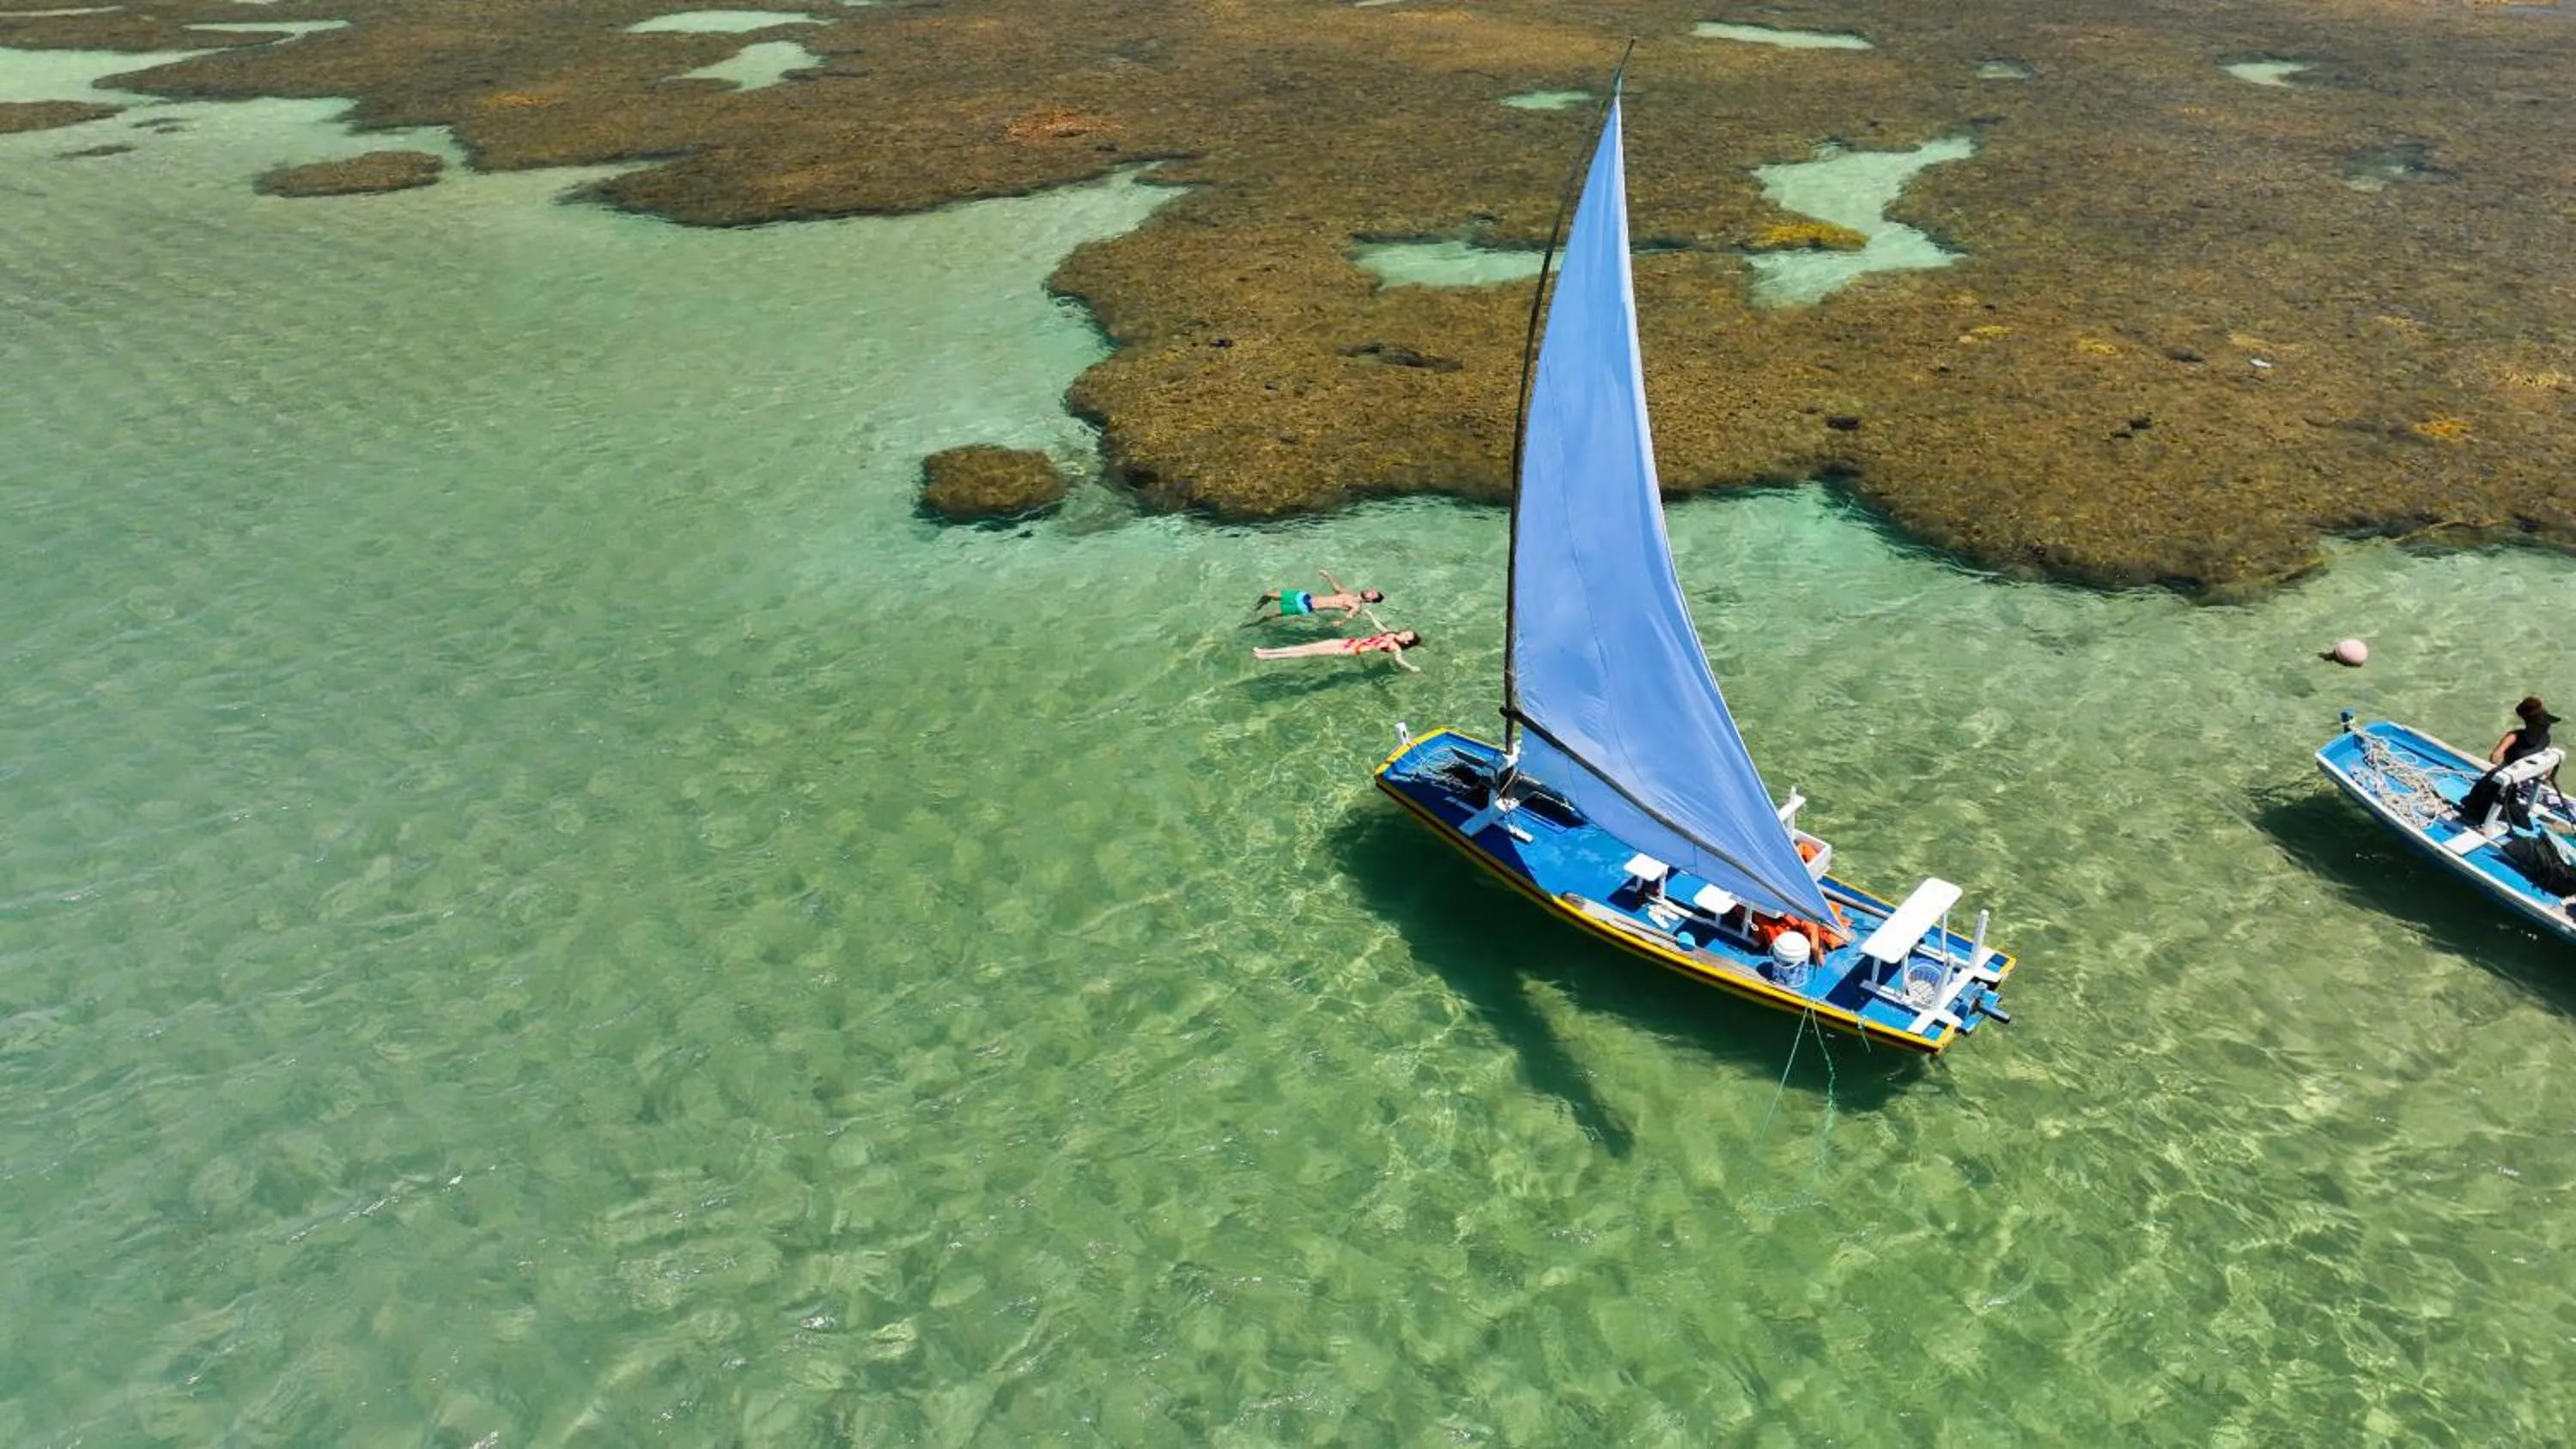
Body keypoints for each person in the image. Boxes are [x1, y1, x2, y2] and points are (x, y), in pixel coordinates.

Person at [1244, 569, 1385, 625]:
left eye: (1373, 594)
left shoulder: (1356, 606)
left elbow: (1350, 616)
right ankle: (1257, 608)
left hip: (1305, 606)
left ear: (1370, 600)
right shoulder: (1348, 593)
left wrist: (1340, 622)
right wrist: (1328, 575)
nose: (1370, 591)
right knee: (1267, 594)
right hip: (1304, 596)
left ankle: (1254, 623)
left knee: (1271, 615)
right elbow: (1336, 588)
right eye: (1372, 590)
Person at [1253, 629, 1422, 671]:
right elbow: (1381, 627)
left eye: (1407, 635)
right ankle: (1268, 651)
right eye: (1406, 631)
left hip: (1350, 650)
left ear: (1407, 641)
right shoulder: (1391, 634)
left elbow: (1399, 659)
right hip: (1347, 642)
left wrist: (1411, 667)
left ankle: (1268, 657)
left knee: (1308, 652)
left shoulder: (1395, 647)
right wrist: (1371, 616)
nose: (1404, 633)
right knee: (1308, 646)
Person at [2489, 695, 2561, 767]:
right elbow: (2495, 757)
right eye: (2544, 723)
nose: (2547, 725)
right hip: (2519, 774)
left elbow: (2494, 757)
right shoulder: (2545, 738)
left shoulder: (2545, 738)